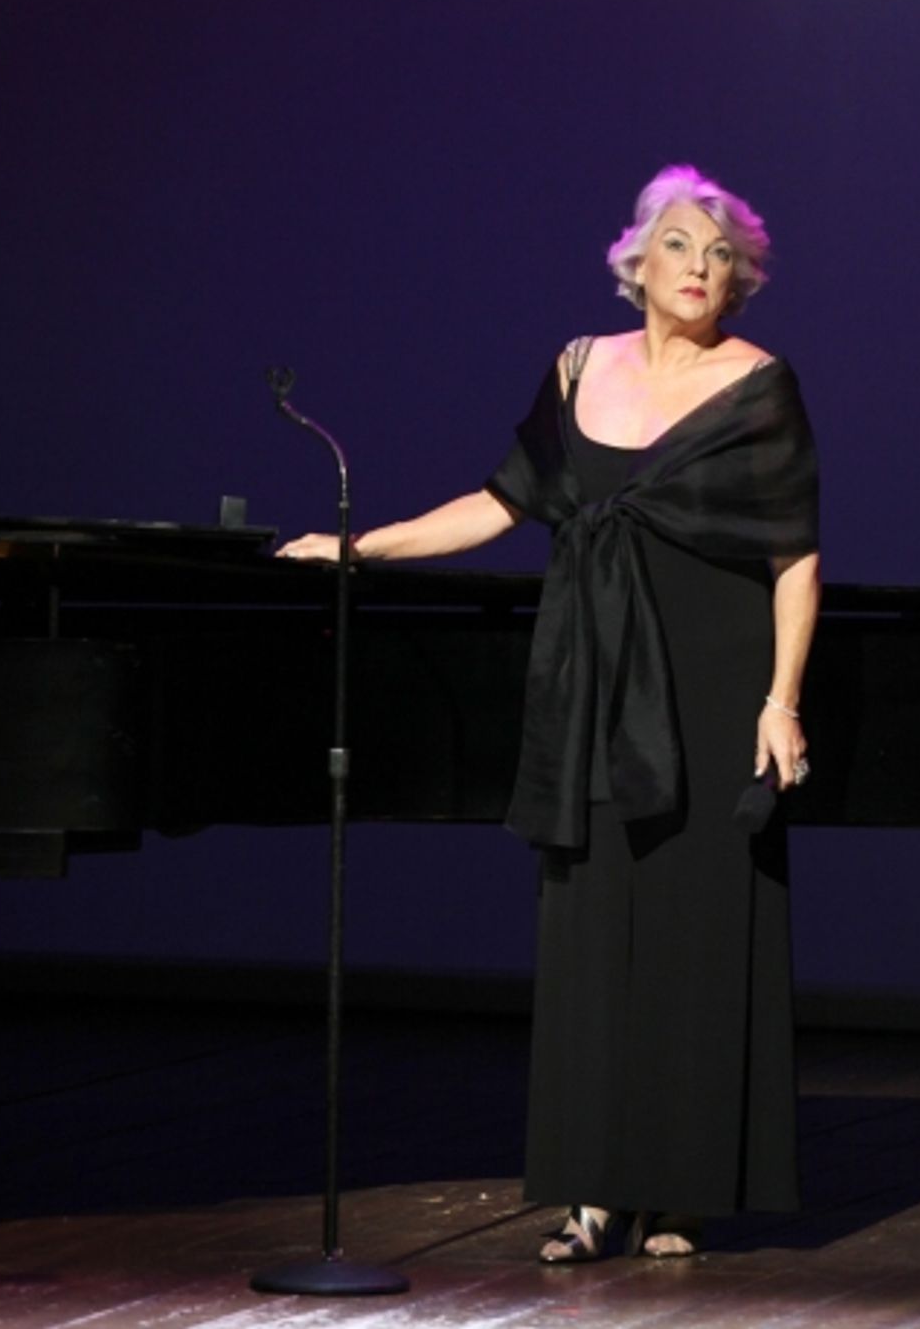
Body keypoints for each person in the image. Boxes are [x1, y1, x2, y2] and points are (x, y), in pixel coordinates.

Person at [277, 164, 820, 1263]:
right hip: (595, 679)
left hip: (716, 691)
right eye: (679, 245)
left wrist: (783, 702)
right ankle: (591, 1194)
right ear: (637, 260)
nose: (700, 269)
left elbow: (794, 558)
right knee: (589, 929)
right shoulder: (577, 367)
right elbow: (498, 502)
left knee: (697, 938)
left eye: (720, 254)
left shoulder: (761, 385)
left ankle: (678, 1194)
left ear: (742, 276)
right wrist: (359, 544)